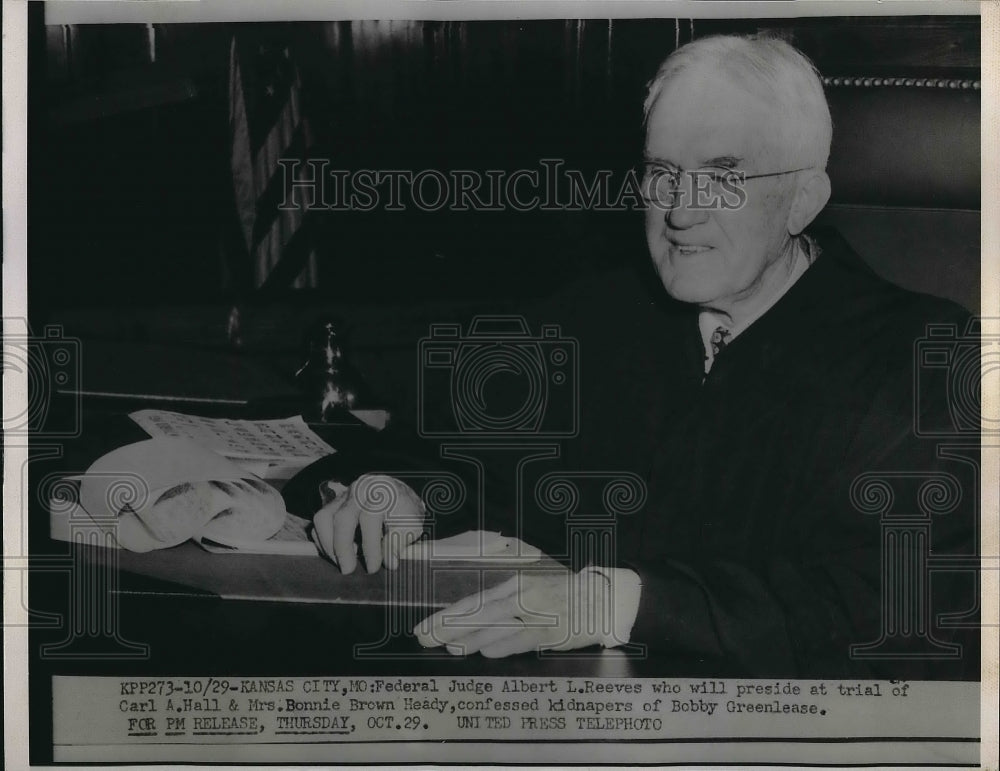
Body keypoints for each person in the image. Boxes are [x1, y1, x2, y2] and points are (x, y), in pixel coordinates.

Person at [313, 33, 977, 677]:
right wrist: (401, 495)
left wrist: (619, 602)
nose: (680, 214)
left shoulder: (917, 356)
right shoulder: (591, 316)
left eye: (722, 179)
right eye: (663, 174)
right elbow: (441, 452)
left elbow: (893, 613)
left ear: (803, 199)